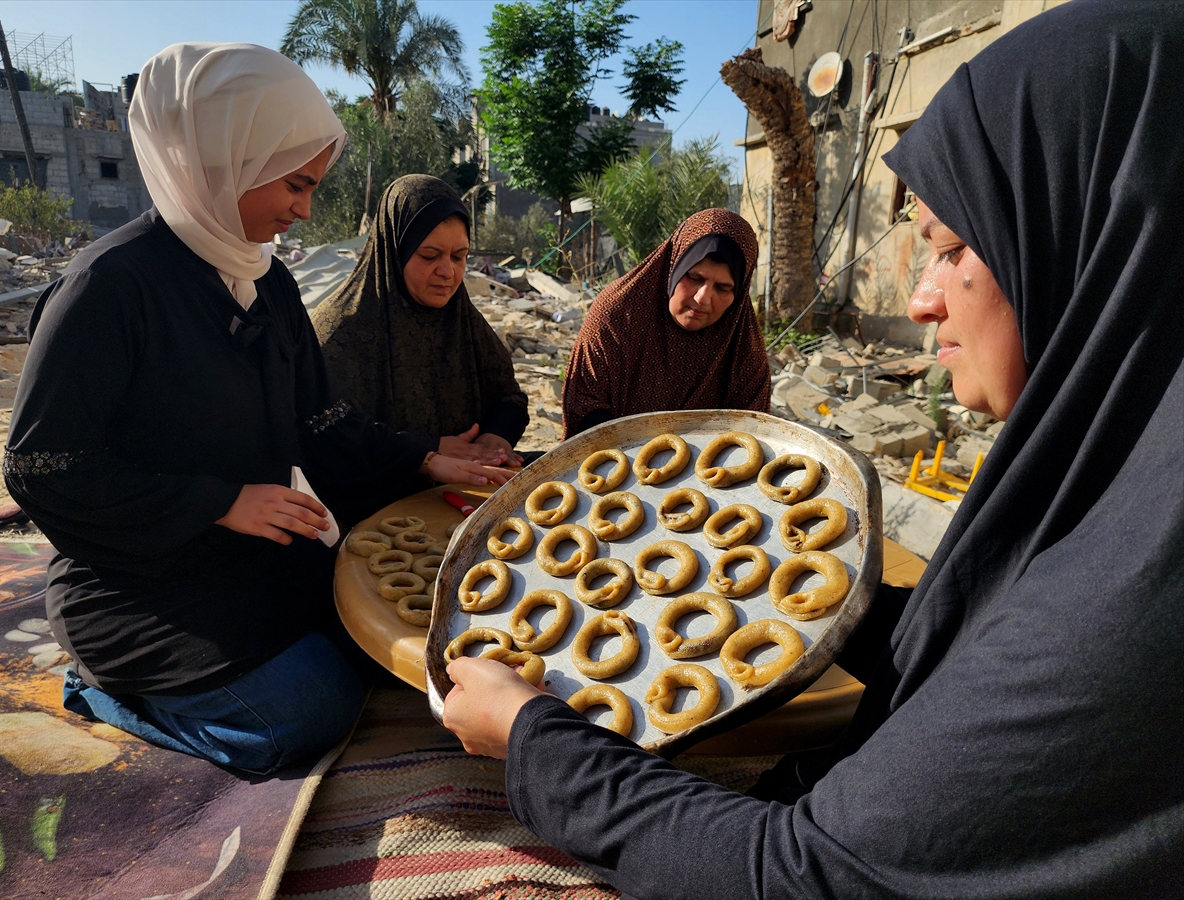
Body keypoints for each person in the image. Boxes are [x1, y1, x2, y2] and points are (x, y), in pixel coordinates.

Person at [440, 2, 1184, 896]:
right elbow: (982, 626)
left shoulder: (1129, 604)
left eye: (949, 249)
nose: (919, 300)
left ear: (1086, 239)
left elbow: (807, 876)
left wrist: (531, 736)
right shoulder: (1124, 481)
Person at [2, 43, 512, 776]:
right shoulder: (109, 288)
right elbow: (43, 470)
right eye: (296, 185)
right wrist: (219, 502)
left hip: (252, 560)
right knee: (307, 712)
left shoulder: (265, 282)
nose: (305, 210)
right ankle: (104, 690)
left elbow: (323, 423)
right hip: (140, 582)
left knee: (385, 648)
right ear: (224, 157)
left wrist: (427, 456)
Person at [312, 174, 530, 502]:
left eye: (459, 256)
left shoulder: (463, 322)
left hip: (465, 494)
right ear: (394, 252)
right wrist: (426, 452)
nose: (448, 271)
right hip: (377, 513)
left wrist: (493, 441)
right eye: (429, 256)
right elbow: (328, 435)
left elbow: (508, 397)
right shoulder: (339, 334)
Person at [560, 208, 770, 439]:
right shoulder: (619, 313)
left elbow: (754, 429)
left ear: (738, 294)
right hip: (612, 462)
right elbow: (583, 405)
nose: (703, 298)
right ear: (675, 266)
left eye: (723, 288)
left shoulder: (742, 343)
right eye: (694, 278)